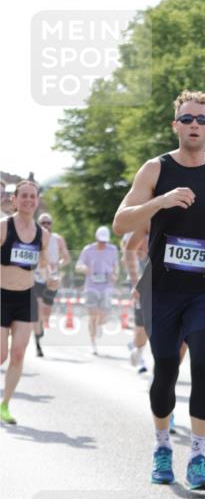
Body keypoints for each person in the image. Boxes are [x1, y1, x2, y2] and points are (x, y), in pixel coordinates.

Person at [112, 90, 205, 491]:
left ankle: (198, 457)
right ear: (175, 126)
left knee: (202, 360)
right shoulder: (156, 169)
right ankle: (163, 446)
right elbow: (120, 223)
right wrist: (160, 202)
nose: (194, 125)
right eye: (187, 119)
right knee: (166, 369)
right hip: (162, 287)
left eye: (201, 119)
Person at [1, 180, 49, 423]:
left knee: (18, 354)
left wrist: (51, 278)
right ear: (14, 200)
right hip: (1, 295)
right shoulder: (3, 227)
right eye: (24, 196)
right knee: (1, 355)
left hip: (26, 297)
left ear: (37, 201)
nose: (29, 200)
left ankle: (5, 405)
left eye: (33, 196)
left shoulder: (43, 235)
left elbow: (43, 266)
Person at [75, 227, 119, 355]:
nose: (102, 243)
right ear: (96, 238)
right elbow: (78, 265)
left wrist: (115, 275)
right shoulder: (88, 250)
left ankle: (100, 325)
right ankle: (93, 343)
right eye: (101, 241)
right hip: (91, 287)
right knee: (92, 316)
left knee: (105, 315)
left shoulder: (113, 250)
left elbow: (116, 267)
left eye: (105, 241)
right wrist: (84, 268)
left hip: (107, 286)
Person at [33, 212, 70, 356]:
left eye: (48, 223)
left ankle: (40, 328)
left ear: (52, 225)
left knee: (46, 311)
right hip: (36, 278)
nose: (46, 225)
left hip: (52, 279)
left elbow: (66, 258)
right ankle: (37, 342)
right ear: (38, 224)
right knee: (38, 308)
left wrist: (58, 264)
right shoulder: (33, 237)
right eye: (43, 223)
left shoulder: (58, 239)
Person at [121, 228, 150, 373]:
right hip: (138, 284)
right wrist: (136, 284)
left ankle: (138, 347)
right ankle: (138, 350)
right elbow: (126, 255)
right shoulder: (133, 232)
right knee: (142, 324)